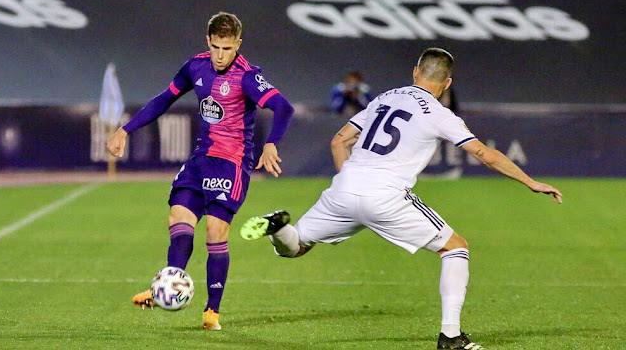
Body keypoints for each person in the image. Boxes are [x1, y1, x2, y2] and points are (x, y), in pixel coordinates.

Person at [240, 48, 562, 349]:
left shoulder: (385, 97)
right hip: (385, 196)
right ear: (447, 83)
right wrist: (529, 181)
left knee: (295, 246)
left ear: (415, 72)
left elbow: (340, 140)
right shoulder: (440, 113)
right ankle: (451, 337)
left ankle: (278, 225)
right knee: (456, 248)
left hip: (344, 186)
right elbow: (481, 152)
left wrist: (348, 181)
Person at [106, 12, 294, 331]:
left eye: (228, 48)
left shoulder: (247, 76)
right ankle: (169, 287)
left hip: (232, 163)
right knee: (178, 220)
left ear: (238, 44)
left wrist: (272, 143)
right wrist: (125, 129)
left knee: (215, 233)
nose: (222, 56)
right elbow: (164, 99)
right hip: (199, 159)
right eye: (217, 47)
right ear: (208, 42)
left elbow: (283, 107)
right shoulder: (195, 66)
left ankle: (212, 312)